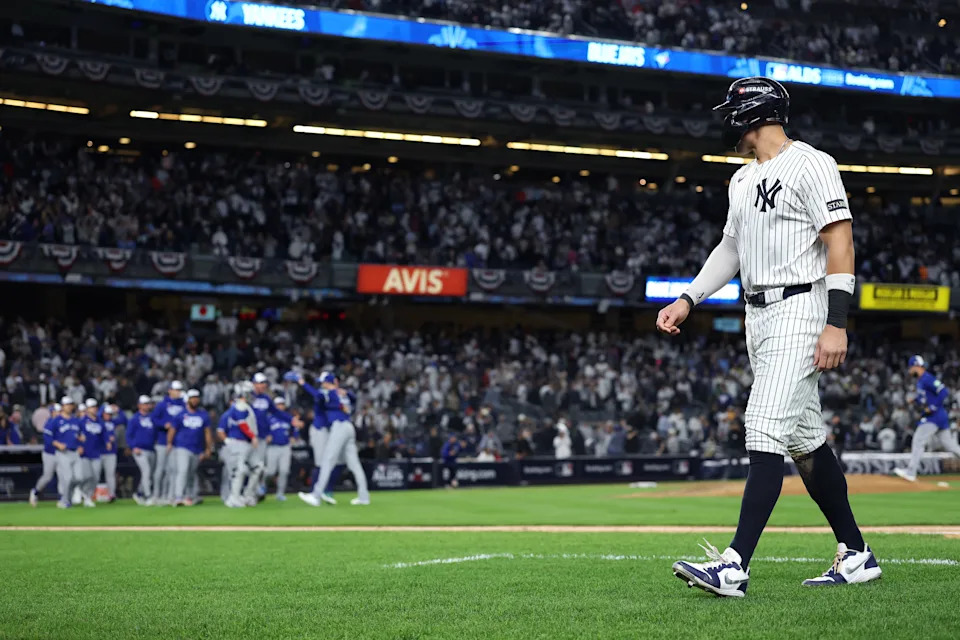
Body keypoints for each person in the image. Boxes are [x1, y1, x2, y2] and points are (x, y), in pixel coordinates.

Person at [660, 77, 880, 597]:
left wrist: (836, 321)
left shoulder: (812, 162)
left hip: (802, 307)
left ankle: (734, 564)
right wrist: (689, 298)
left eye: (732, 111)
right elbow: (729, 251)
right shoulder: (740, 179)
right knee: (805, 442)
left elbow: (840, 242)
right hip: (756, 316)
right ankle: (856, 553)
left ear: (753, 112)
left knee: (761, 426)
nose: (726, 120)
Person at [298, 372, 370, 506]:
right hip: (349, 426)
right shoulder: (342, 393)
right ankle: (364, 496)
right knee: (354, 464)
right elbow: (353, 399)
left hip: (339, 427)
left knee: (327, 460)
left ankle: (316, 495)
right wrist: (346, 393)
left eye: (323, 382)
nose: (322, 384)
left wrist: (303, 384)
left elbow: (316, 394)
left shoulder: (329, 393)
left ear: (327, 382)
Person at [894, 356, 960, 481]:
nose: (909, 370)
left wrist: (933, 407)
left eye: (911, 367)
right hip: (938, 416)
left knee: (918, 440)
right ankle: (911, 472)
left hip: (935, 416)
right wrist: (914, 400)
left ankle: (911, 472)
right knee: (951, 446)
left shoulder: (927, 378)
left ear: (916, 366)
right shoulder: (920, 380)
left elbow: (943, 391)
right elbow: (925, 398)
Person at [168, 389, 212, 506]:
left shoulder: (203, 414)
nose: (195, 400)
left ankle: (189, 495)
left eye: (196, 397)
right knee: (183, 471)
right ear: (188, 399)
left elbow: (207, 432)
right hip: (182, 446)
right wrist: (169, 443)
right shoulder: (181, 414)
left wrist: (208, 448)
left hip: (197, 448)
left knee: (192, 473)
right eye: (192, 398)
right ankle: (178, 496)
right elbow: (172, 430)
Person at [218, 382, 258, 508]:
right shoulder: (237, 409)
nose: (252, 395)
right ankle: (233, 497)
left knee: (258, 468)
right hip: (237, 443)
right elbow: (222, 430)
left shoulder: (246, 408)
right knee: (238, 471)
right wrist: (227, 441)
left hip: (246, 444)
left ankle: (247, 495)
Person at [150, 381, 186, 505]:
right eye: (176, 390)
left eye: (179, 390)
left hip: (177, 442)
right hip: (162, 440)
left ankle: (169, 495)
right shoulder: (162, 404)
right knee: (160, 469)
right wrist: (163, 424)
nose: (178, 392)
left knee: (173, 470)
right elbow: (153, 419)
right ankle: (155, 494)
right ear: (170, 390)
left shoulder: (183, 404)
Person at [265, 396, 302, 501]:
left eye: (282, 404)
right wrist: (267, 436)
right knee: (270, 471)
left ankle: (280, 493)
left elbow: (295, 430)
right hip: (272, 447)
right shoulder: (269, 418)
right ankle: (262, 486)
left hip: (285, 447)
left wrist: (294, 437)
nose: (280, 406)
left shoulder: (288, 417)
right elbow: (263, 430)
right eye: (278, 404)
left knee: (284, 471)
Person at [51, 396, 83, 509]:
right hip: (63, 453)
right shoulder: (56, 420)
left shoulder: (75, 420)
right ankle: (63, 500)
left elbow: (78, 435)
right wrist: (57, 444)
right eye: (67, 405)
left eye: (71, 404)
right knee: (67, 477)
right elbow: (47, 437)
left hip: (75, 452)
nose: (69, 406)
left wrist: (80, 441)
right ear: (63, 406)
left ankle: (67, 496)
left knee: (79, 478)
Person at [127, 395, 158, 504]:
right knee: (146, 471)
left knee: (149, 473)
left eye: (147, 404)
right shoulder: (134, 418)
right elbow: (129, 435)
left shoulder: (152, 417)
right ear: (139, 405)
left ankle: (139, 492)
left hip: (151, 449)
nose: (146, 406)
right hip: (139, 449)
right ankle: (148, 495)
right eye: (144, 404)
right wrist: (133, 447)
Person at [29, 402, 60, 507]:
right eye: (57, 411)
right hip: (50, 454)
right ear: (52, 412)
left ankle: (63, 498)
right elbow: (49, 441)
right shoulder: (49, 423)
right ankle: (35, 491)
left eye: (59, 411)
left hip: (62, 454)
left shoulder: (63, 422)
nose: (58, 413)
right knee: (47, 476)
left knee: (64, 476)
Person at [77, 398, 103, 507]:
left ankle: (88, 496)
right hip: (85, 453)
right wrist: (79, 444)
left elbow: (103, 435)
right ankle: (82, 490)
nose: (94, 409)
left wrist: (106, 443)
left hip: (96, 452)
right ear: (87, 409)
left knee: (96, 477)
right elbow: (75, 434)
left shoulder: (99, 421)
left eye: (95, 407)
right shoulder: (82, 421)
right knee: (87, 476)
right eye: (92, 407)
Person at [100, 404, 119, 501]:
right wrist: (107, 440)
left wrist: (118, 410)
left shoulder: (113, 422)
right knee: (93, 475)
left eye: (110, 414)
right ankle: (87, 494)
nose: (108, 416)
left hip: (111, 452)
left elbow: (123, 419)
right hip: (99, 452)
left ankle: (111, 494)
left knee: (110, 474)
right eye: (106, 414)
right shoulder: (98, 422)